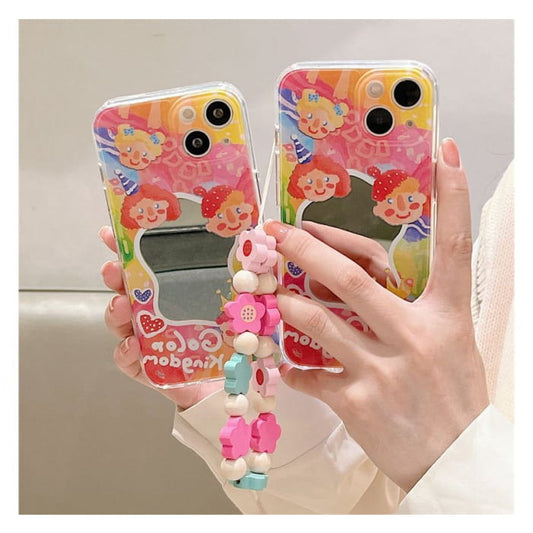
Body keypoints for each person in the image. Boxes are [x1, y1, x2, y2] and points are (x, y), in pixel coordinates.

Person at [99, 138, 513, 513]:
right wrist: (233, 396)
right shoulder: (514, 207)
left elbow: (434, 467)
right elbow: (380, 501)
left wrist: (453, 456)